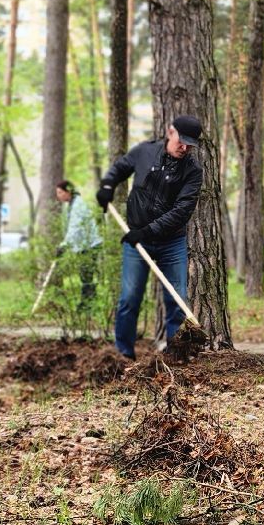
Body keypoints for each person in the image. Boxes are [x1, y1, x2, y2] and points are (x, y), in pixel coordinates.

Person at [97, 117, 203, 358]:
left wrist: (146, 231)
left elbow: (181, 211)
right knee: (129, 299)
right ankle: (123, 354)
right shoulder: (144, 152)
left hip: (171, 242)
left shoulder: (193, 171)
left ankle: (175, 357)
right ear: (170, 132)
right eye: (181, 141)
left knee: (176, 300)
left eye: (190, 145)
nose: (184, 148)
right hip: (137, 242)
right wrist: (107, 185)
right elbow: (120, 168)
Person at [55, 180, 101, 301]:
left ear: (68, 191)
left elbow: (75, 227)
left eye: (60, 192)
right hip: (83, 245)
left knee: (86, 274)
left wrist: (64, 245)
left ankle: (87, 303)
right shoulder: (69, 205)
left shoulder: (78, 205)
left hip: (90, 244)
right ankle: (88, 302)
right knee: (84, 275)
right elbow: (69, 227)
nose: (58, 195)